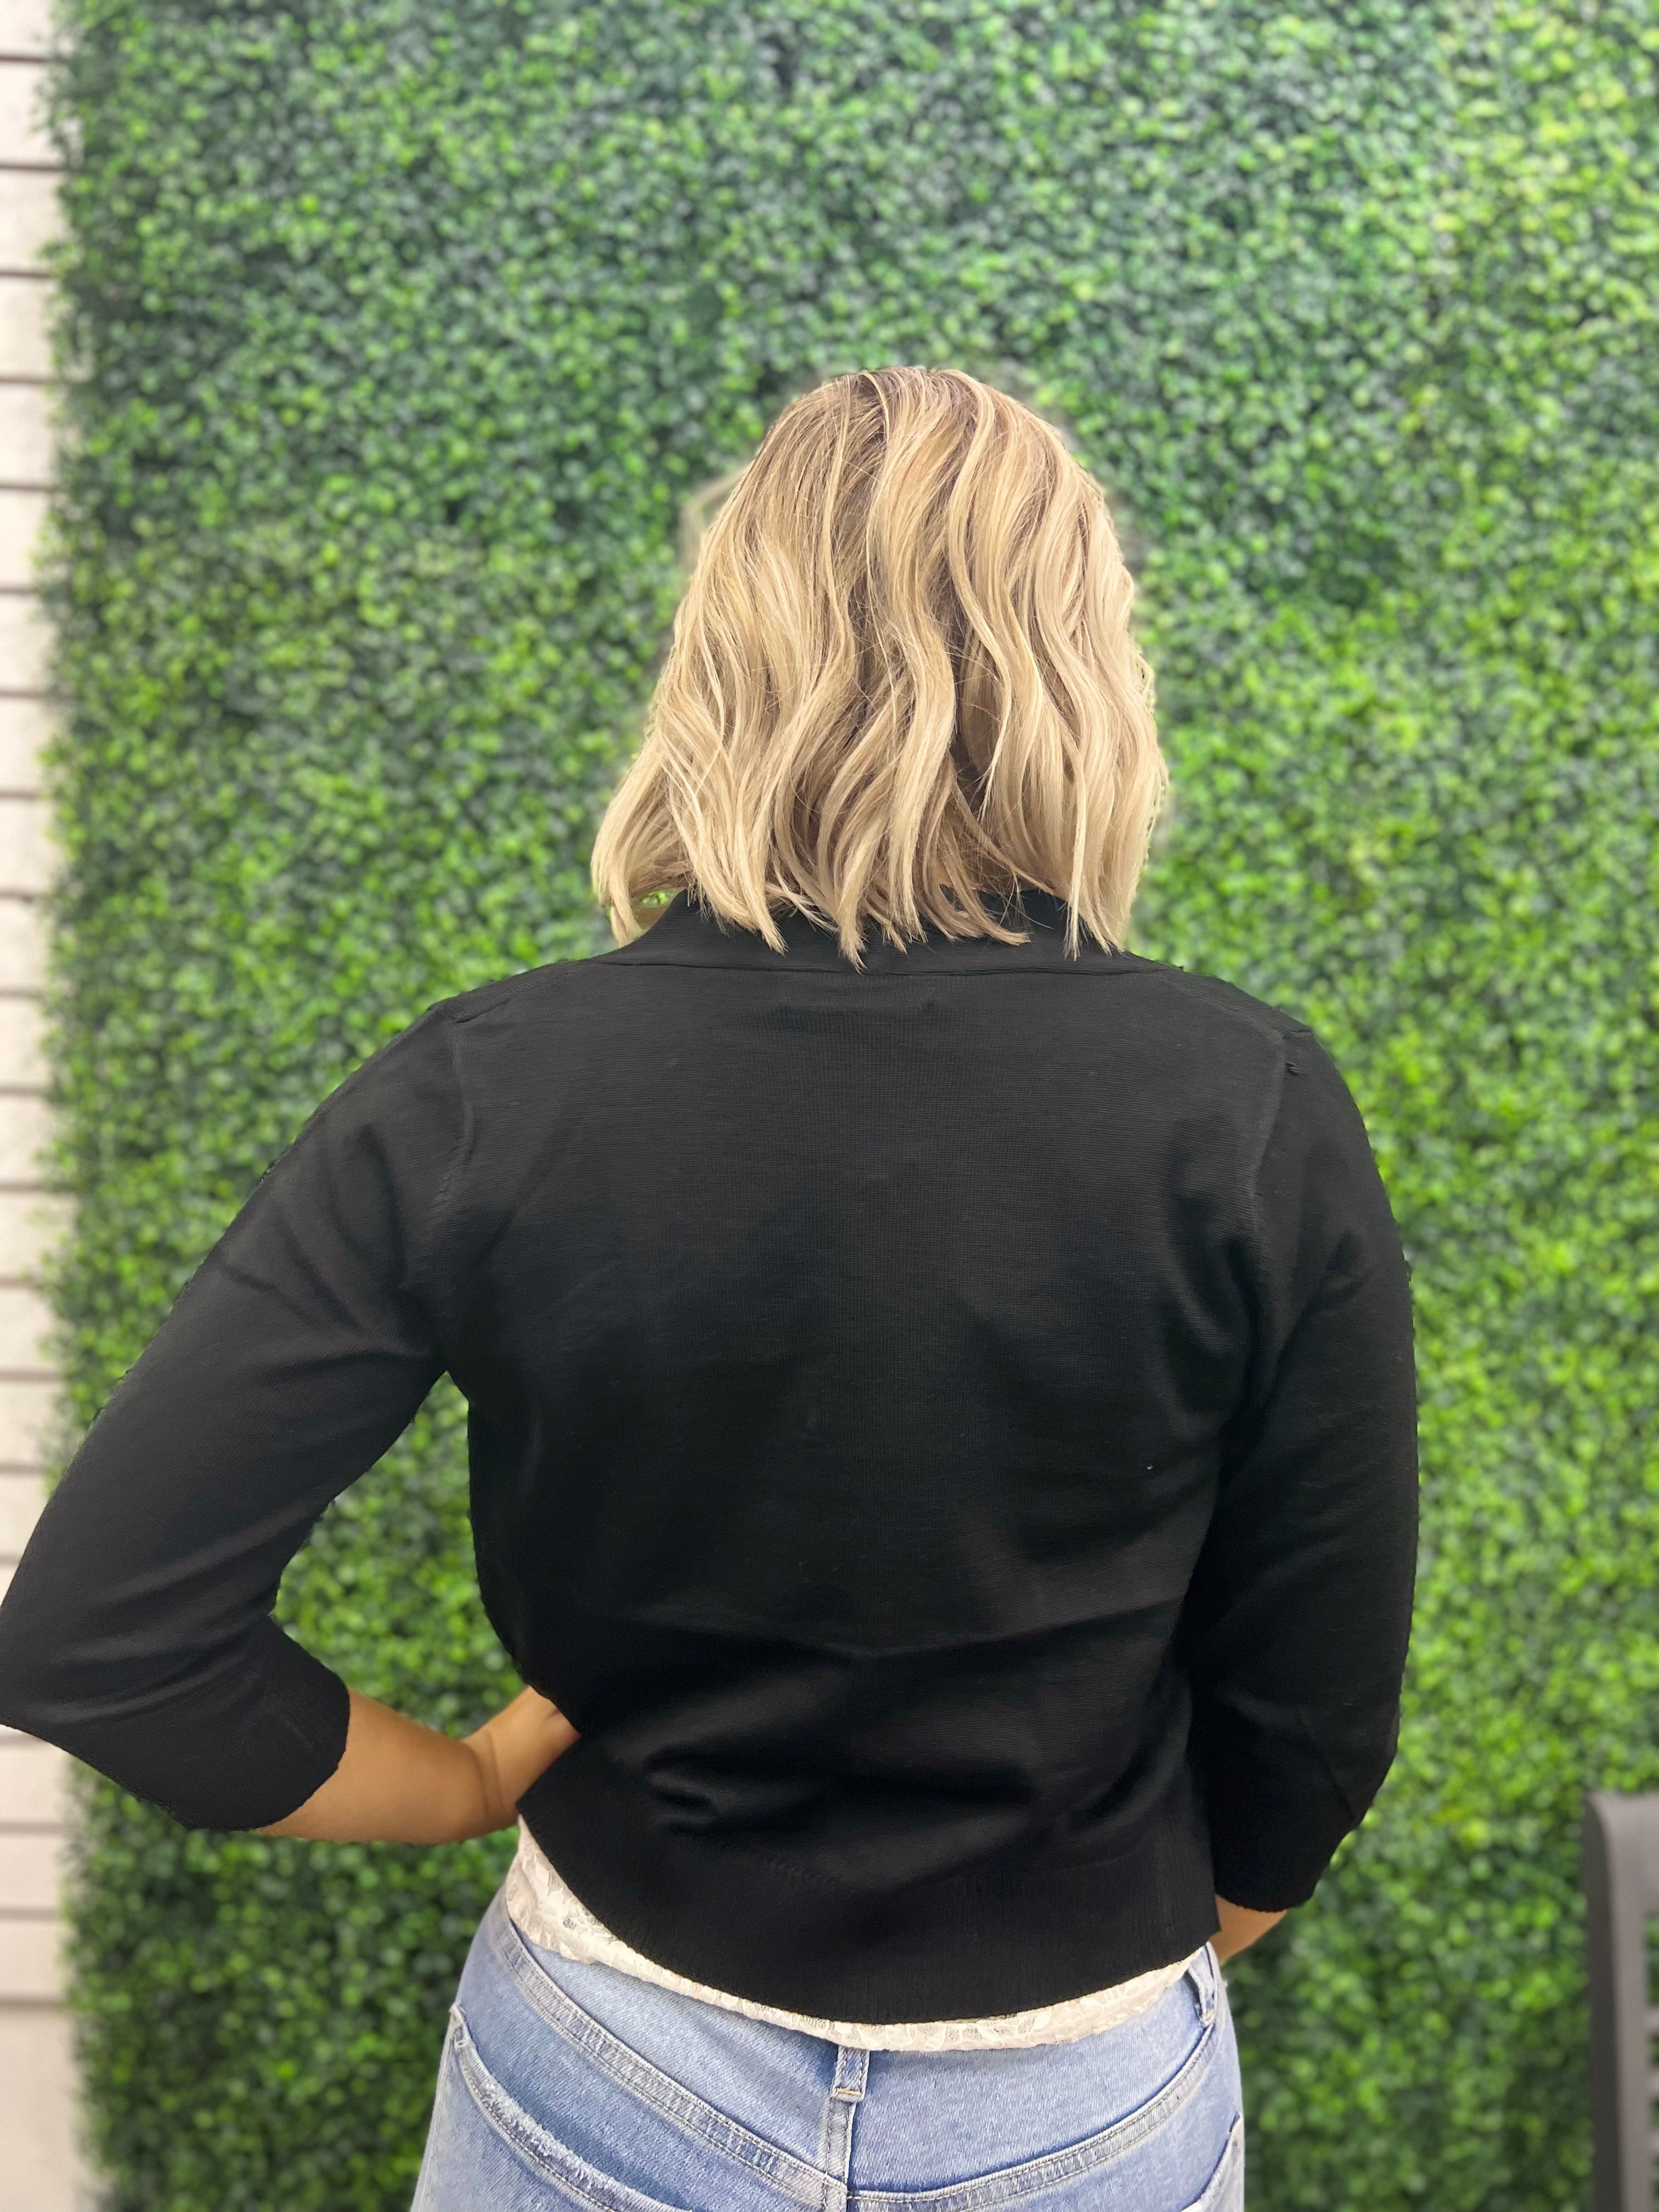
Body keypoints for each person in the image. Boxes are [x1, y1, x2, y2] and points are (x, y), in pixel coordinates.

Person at [0, 365, 1418, 2211]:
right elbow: (1317, 1711)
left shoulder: (493, 1090)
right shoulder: (1248, 1102)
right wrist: (1133, 1953)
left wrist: (468, 1779)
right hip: (1082, 2094)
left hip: (610, 2058)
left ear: (721, 656)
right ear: (1088, 672)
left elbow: (100, 1640)